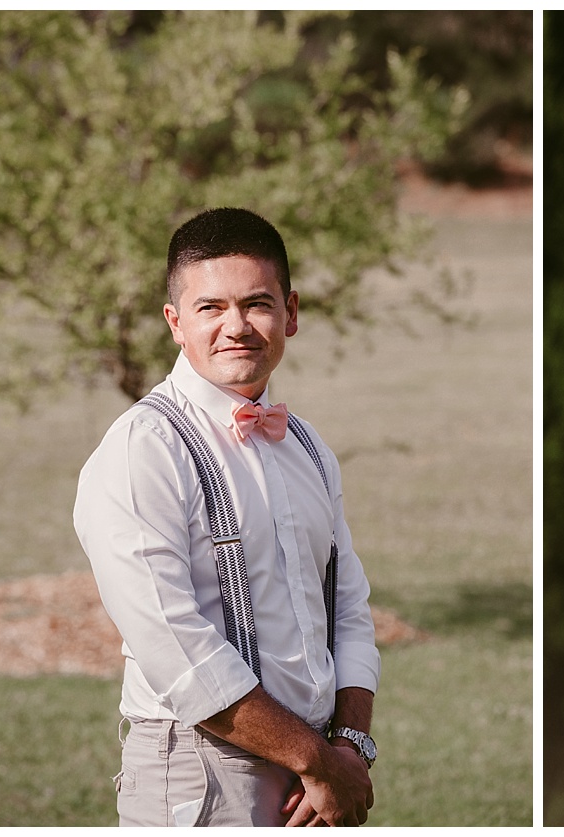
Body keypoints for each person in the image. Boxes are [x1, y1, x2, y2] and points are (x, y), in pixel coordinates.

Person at [74, 208, 380, 827]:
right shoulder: (143, 448)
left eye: (257, 303)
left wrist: (348, 747)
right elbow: (174, 647)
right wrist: (317, 760)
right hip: (201, 773)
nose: (236, 326)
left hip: (317, 777)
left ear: (290, 313)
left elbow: (347, 608)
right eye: (210, 307)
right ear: (175, 323)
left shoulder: (309, 446)